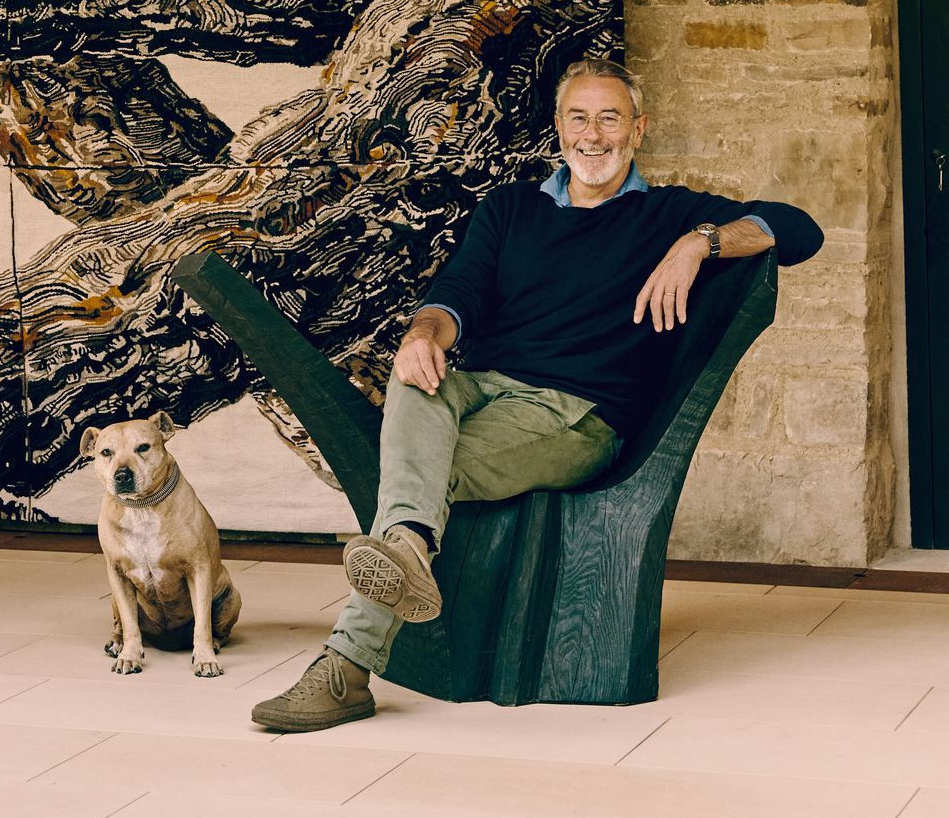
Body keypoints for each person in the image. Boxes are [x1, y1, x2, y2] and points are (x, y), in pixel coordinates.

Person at [251, 56, 823, 732]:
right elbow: (455, 294)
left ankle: (347, 663)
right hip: (481, 388)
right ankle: (405, 545)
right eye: (578, 116)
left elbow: (798, 227)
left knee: (417, 475)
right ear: (558, 128)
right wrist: (425, 333)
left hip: (576, 417)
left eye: (610, 117)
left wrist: (698, 243)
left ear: (637, 131)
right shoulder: (512, 208)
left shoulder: (667, 212)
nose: (593, 133)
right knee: (414, 376)